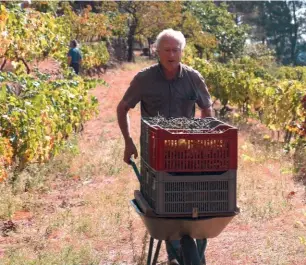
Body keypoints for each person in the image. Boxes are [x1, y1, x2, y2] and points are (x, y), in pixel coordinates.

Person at [117, 29, 213, 265]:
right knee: (165, 204)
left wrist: (203, 137)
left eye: (176, 49)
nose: (172, 54)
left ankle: (193, 253)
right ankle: (176, 253)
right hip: (156, 154)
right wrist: (128, 142)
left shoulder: (193, 77)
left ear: (182, 51)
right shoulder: (144, 79)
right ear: (156, 51)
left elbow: (206, 109)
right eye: (167, 50)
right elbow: (123, 108)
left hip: (187, 152)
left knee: (196, 205)